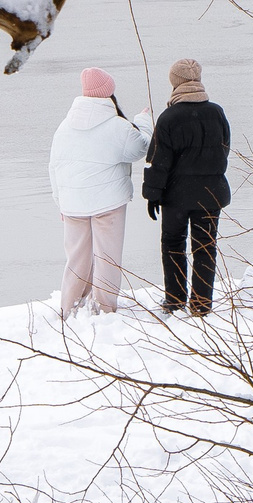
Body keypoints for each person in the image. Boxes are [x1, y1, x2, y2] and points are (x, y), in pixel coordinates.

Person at [49, 67, 150, 318]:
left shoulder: (65, 126)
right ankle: (103, 309)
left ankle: (70, 306)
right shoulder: (117, 126)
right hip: (108, 203)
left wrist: (60, 201)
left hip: (72, 204)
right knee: (107, 257)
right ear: (109, 93)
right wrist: (144, 121)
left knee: (76, 258)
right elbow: (141, 148)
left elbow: (54, 166)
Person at [142, 57, 230, 316]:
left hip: (176, 197)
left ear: (174, 82)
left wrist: (152, 195)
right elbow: (224, 150)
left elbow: (158, 161)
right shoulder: (216, 112)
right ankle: (201, 303)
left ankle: (175, 299)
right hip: (210, 194)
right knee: (205, 247)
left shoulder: (169, 117)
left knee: (173, 243)